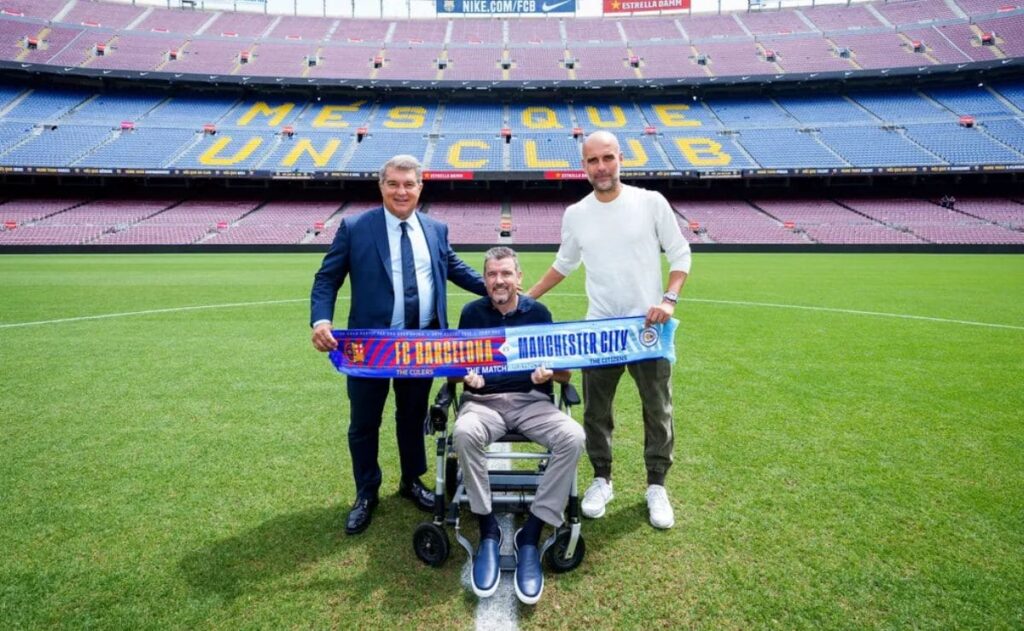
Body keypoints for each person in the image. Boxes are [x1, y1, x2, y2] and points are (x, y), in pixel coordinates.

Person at [310, 154, 486, 535]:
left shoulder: (436, 229)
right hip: (369, 349)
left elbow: (455, 268)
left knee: (412, 417)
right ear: (382, 187)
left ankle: (411, 481)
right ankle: (366, 492)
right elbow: (327, 279)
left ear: (420, 188)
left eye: (409, 184)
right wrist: (321, 320)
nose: (401, 191)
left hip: (420, 345)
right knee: (364, 422)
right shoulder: (356, 228)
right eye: (393, 184)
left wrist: (496, 287)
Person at [526, 131, 692, 530]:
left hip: (647, 329)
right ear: (583, 166)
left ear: (621, 159)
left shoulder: (650, 202)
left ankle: (656, 485)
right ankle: (602, 478)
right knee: (597, 411)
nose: (601, 167)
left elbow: (680, 252)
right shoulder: (576, 213)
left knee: (657, 409)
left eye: (607, 158)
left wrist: (669, 299)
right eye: (592, 161)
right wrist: (526, 299)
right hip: (600, 330)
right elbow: (564, 263)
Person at [452, 246, 585, 605]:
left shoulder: (538, 312)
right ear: (484, 279)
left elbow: (565, 372)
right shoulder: (471, 313)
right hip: (484, 404)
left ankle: (532, 532)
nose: (500, 281)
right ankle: (487, 527)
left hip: (531, 402)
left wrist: (550, 373)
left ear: (519, 277)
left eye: (506, 274)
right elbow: (458, 367)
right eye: (493, 274)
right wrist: (467, 378)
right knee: (463, 433)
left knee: (573, 436)